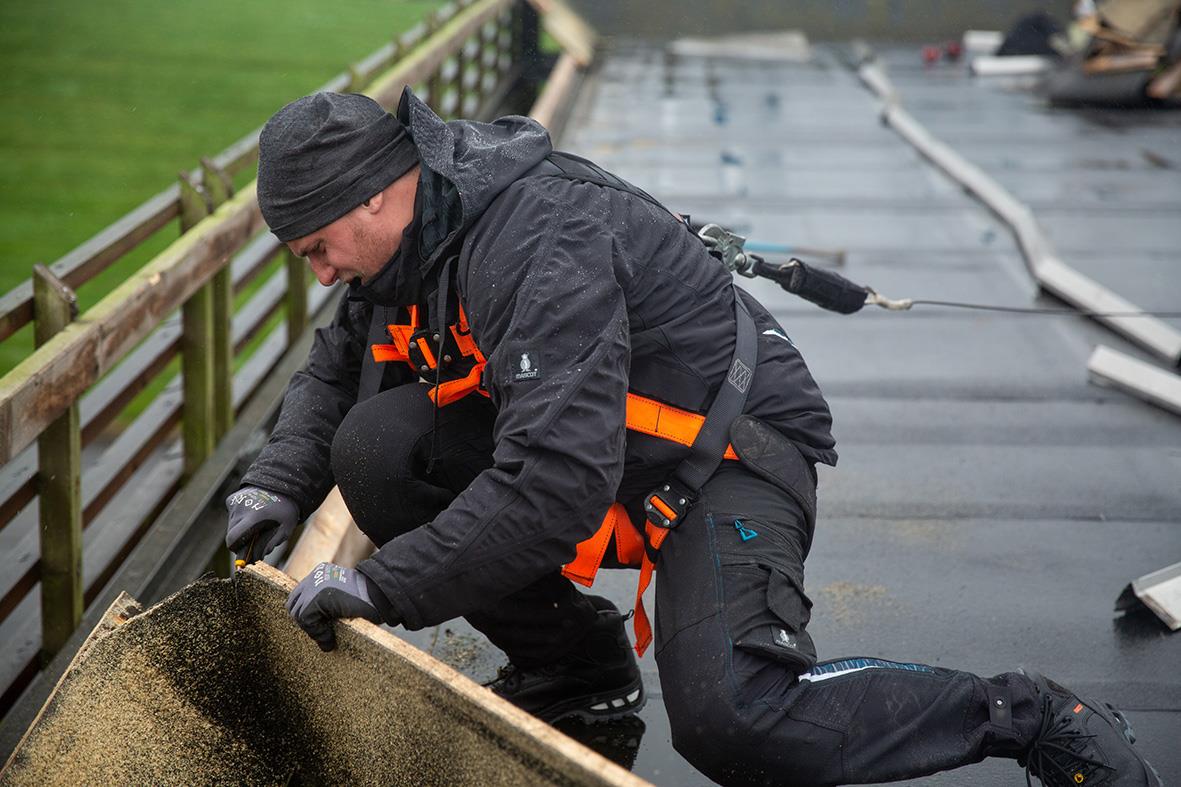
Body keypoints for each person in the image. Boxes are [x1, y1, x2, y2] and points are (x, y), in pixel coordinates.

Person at [225, 89, 1161, 787]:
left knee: (736, 723)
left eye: (315, 250)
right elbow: (335, 368)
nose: (318, 276)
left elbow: (552, 483)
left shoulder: (532, 239)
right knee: (378, 448)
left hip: (727, 454)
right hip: (610, 445)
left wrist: (381, 586)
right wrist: (274, 483)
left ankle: (1027, 712)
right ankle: (576, 674)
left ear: (376, 197)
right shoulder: (412, 243)